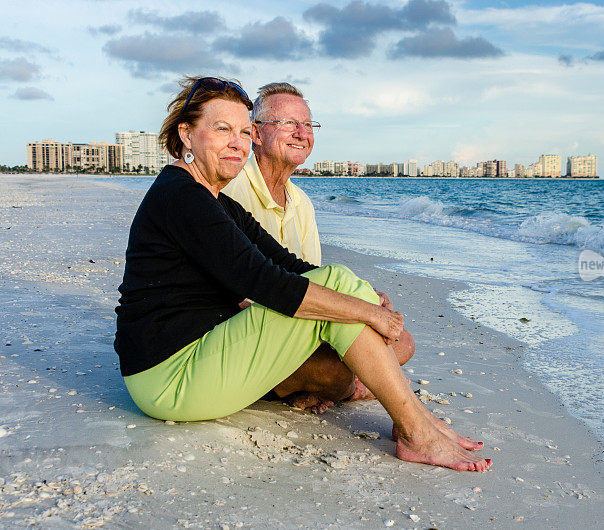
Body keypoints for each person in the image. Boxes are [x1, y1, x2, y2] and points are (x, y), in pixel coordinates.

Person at [114, 76, 490, 472]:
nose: (238, 142)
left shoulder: (215, 201)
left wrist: (362, 295)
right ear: (186, 134)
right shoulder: (181, 195)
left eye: (243, 131)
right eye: (222, 129)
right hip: (170, 378)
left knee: (340, 282)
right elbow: (264, 282)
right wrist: (365, 311)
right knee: (339, 294)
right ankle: (417, 430)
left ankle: (415, 422)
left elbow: (291, 266)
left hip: (193, 360)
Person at [222, 82, 414, 411]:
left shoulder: (302, 203)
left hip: (296, 320)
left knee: (402, 340)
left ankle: (330, 381)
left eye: (308, 125)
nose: (301, 133)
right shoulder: (230, 189)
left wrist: (363, 299)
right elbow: (233, 296)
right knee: (336, 371)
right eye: (288, 123)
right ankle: (347, 382)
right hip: (244, 330)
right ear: (255, 133)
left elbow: (312, 276)